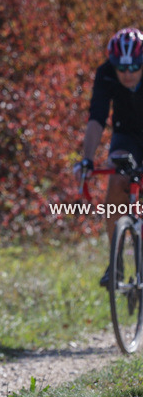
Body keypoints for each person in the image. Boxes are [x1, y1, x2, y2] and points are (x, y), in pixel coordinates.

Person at [73, 27, 143, 286]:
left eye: (135, 67)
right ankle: (116, 262)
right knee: (116, 180)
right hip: (127, 136)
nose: (128, 74)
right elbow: (97, 118)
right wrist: (87, 160)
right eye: (121, 68)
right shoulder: (105, 74)